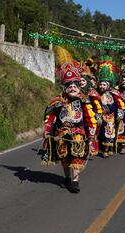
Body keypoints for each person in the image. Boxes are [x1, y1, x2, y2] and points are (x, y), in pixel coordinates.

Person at [40, 48, 97, 193]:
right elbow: (50, 116)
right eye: (69, 86)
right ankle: (67, 178)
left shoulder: (84, 101)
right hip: (61, 133)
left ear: (79, 86)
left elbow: (90, 119)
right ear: (65, 88)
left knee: (77, 156)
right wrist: (47, 130)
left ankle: (75, 181)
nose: (72, 88)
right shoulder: (58, 101)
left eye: (75, 86)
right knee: (65, 158)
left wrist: (91, 136)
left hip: (79, 134)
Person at [96, 55, 125, 157]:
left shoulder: (114, 93)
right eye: (100, 84)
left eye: (104, 85)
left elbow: (120, 105)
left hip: (112, 117)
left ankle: (109, 148)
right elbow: (95, 107)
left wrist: (120, 115)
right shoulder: (96, 94)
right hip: (101, 117)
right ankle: (102, 148)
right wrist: (98, 117)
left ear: (108, 85)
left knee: (110, 133)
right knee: (102, 133)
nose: (101, 86)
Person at [78, 60, 103, 156]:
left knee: (91, 134)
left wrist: (98, 116)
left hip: (90, 117)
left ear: (87, 81)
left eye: (83, 81)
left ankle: (90, 148)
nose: (81, 82)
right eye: (80, 81)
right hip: (78, 116)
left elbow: (98, 106)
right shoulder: (75, 91)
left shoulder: (92, 92)